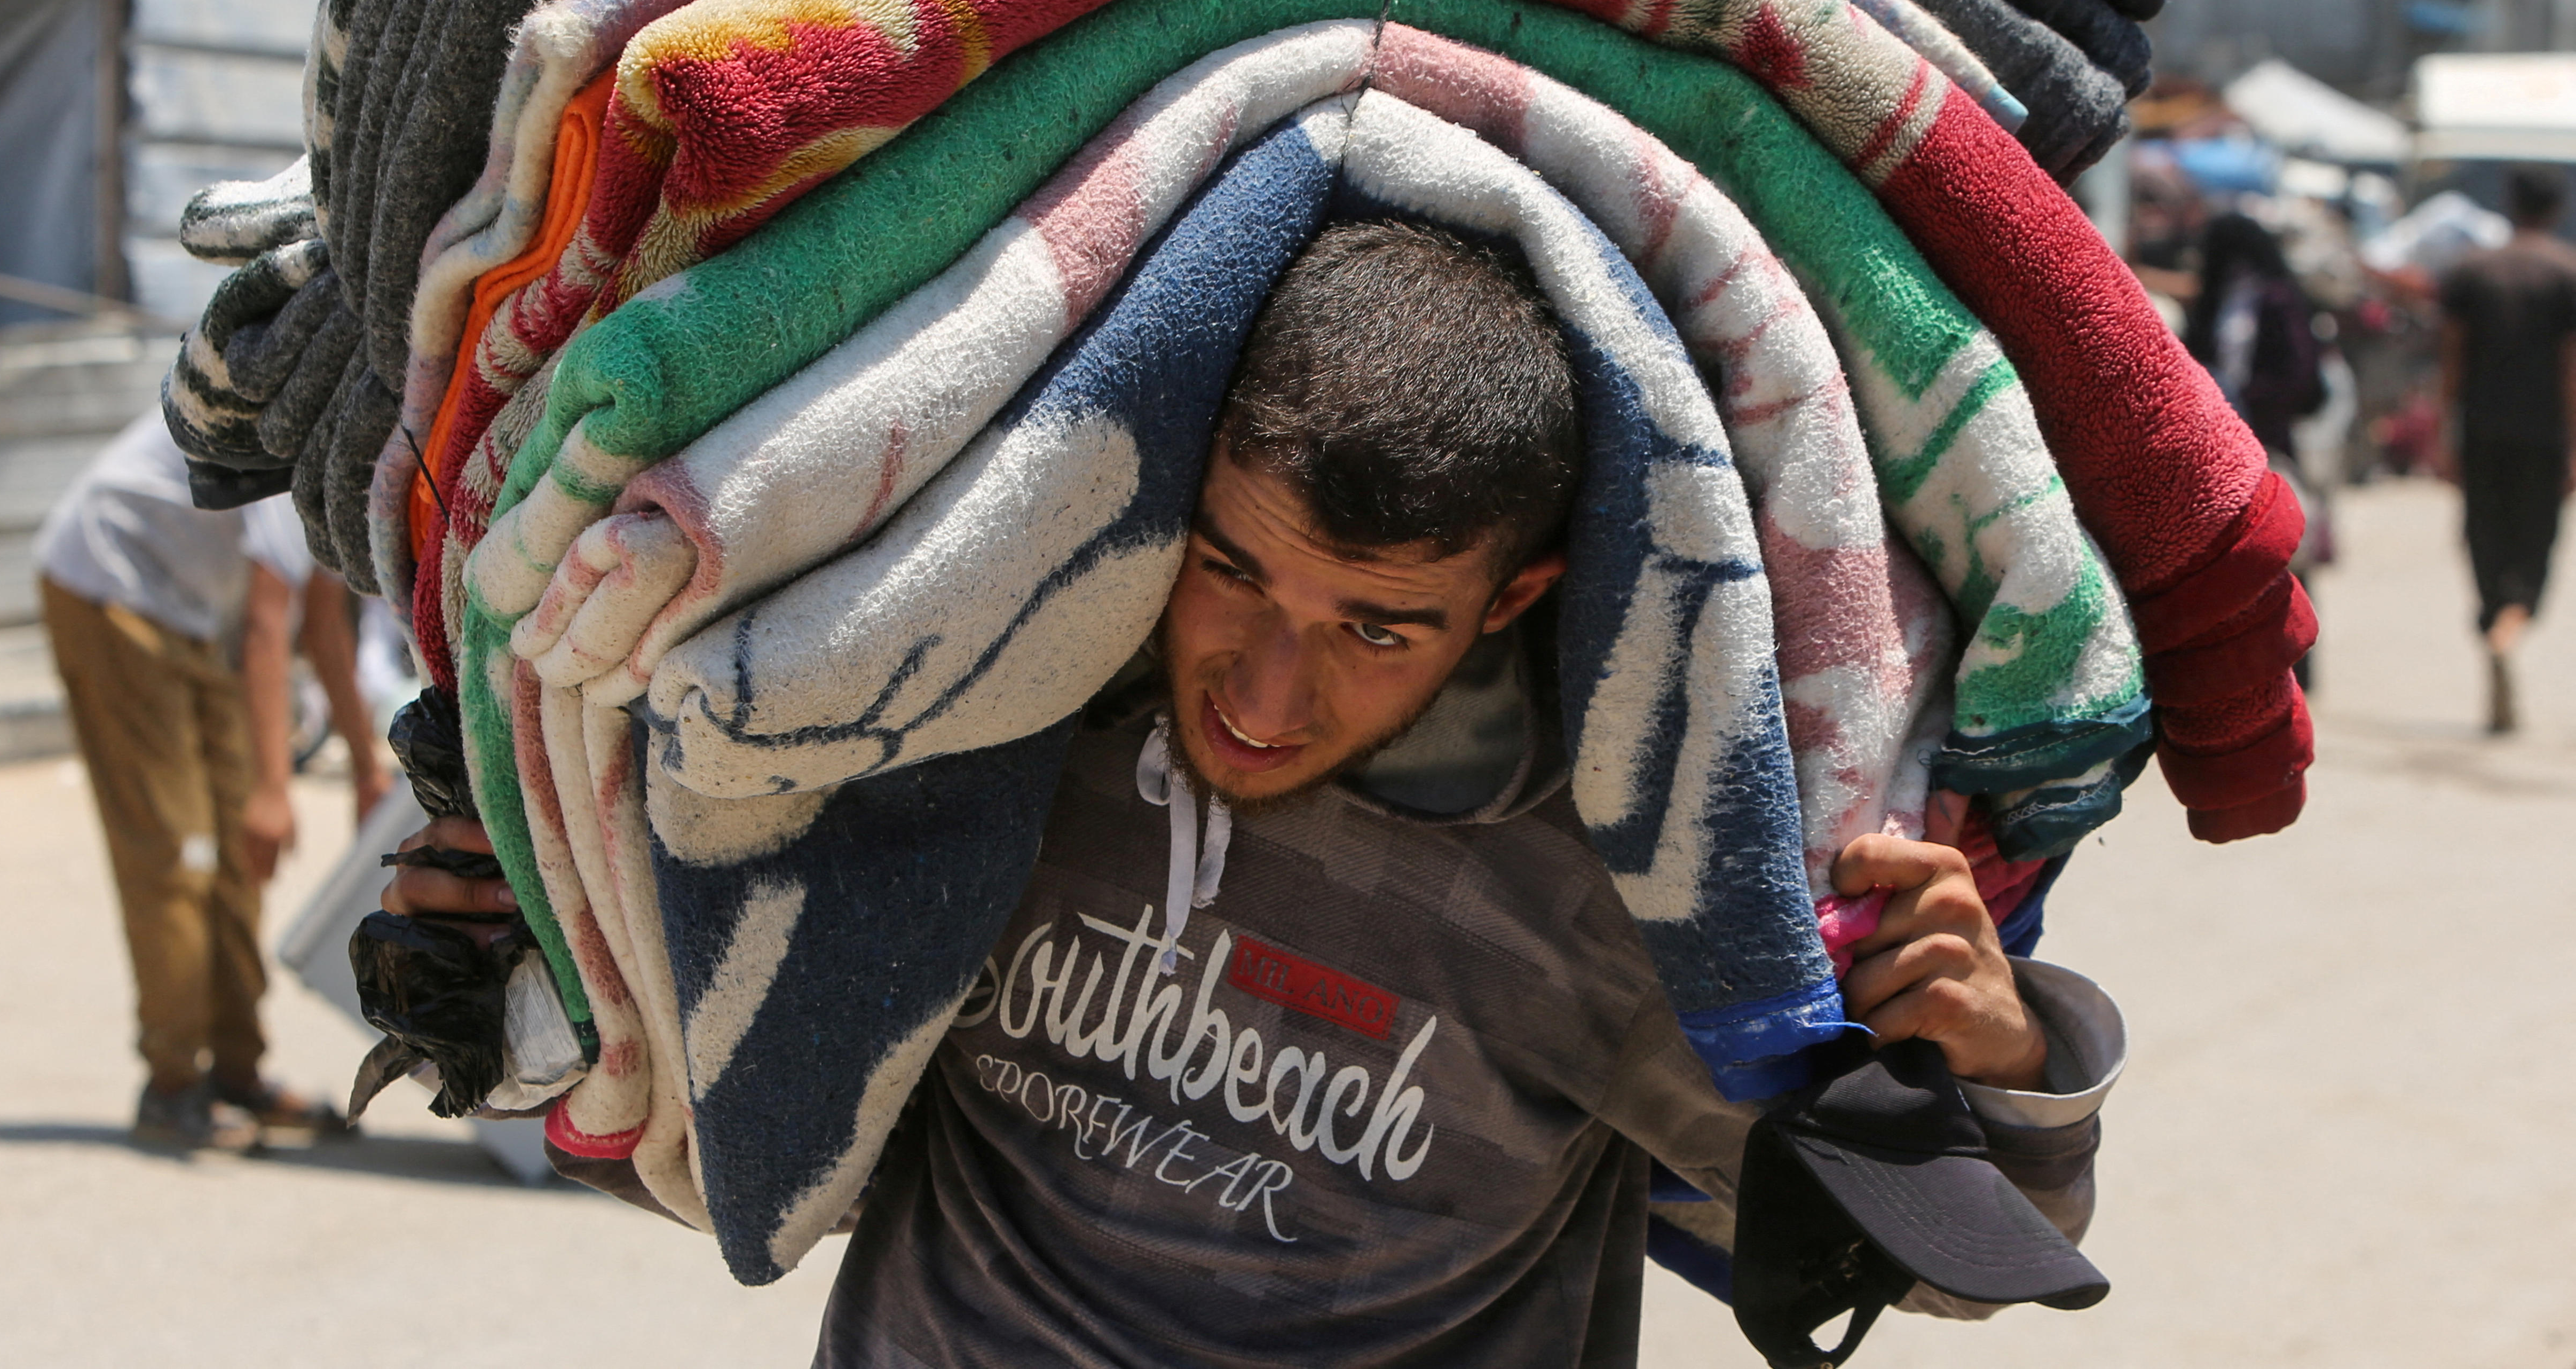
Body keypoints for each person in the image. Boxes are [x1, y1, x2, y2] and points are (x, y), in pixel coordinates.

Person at [387, 223, 2123, 1365]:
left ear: (1509, 598)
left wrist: (2007, 1059)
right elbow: (751, 1133)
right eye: (1234, 571)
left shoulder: (1617, 884)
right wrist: (531, 953)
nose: (1266, 689)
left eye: (1379, 626)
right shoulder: (988, 732)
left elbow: (1952, 1258)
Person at [36, 410, 389, 1151]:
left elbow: (321, 627)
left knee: (235, 854)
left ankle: (237, 1072)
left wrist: (365, 770)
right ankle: (171, 1087)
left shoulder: (360, 467)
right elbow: (268, 628)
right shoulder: (306, 430)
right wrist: (272, 790)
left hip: (190, 611)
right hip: (109, 585)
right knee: (179, 851)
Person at [2436, 164, 2576, 734]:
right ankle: (2508, 626)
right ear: (2556, 208)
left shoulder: (2470, 272)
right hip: (2544, 435)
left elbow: (2451, 359)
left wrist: (2443, 433)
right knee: (2533, 547)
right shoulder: (2566, 273)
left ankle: (2493, 620)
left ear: (2509, 204)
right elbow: (2571, 369)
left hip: (2479, 431)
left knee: (2483, 538)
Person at [2186, 210, 2326, 461]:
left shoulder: (2278, 299)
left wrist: (2253, 402)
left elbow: (2297, 369)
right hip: (2216, 428)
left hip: (2266, 432)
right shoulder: (2217, 298)